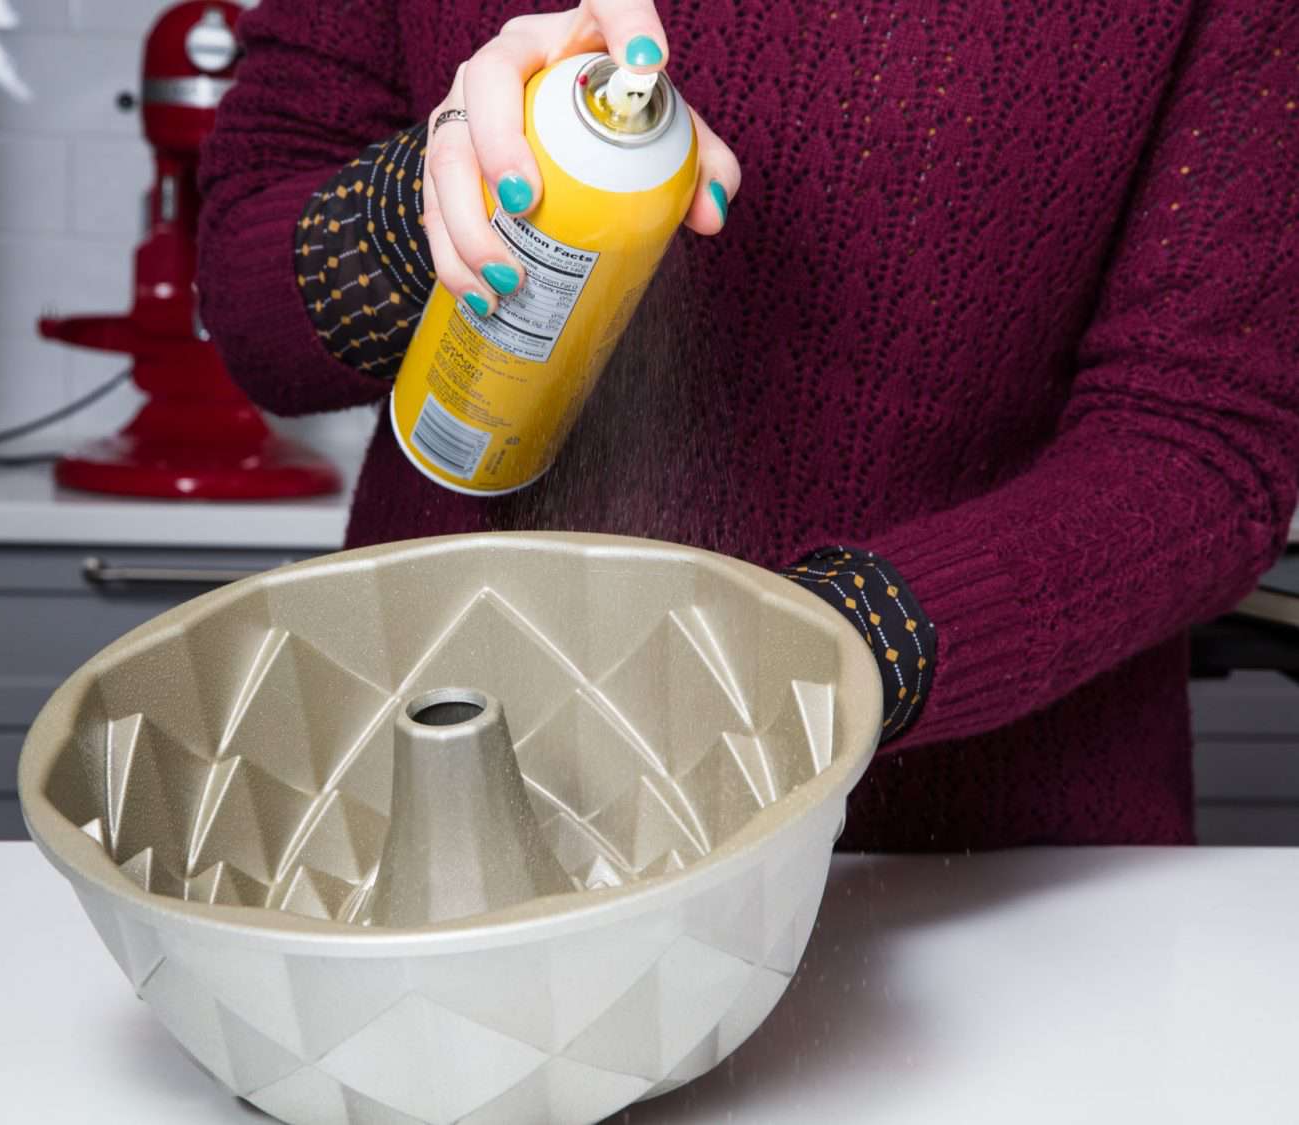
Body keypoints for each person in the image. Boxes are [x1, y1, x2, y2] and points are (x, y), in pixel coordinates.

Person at [197, 1, 1299, 850]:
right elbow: (251, 312)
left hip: (972, 877)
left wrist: (832, 655)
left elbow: (1205, 446)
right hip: (443, 817)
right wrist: (426, 207)